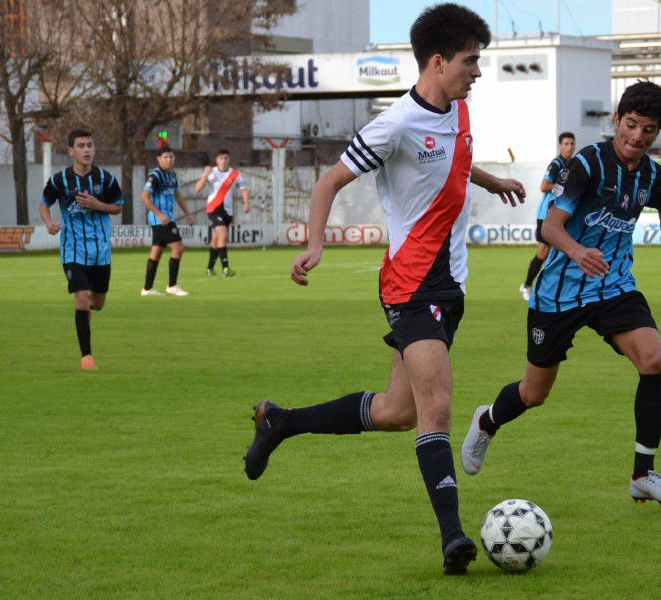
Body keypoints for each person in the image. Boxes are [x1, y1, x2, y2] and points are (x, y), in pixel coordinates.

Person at [242, 3, 525, 575]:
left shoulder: (459, 110)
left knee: (398, 412)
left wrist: (493, 182)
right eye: (471, 62)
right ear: (439, 61)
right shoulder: (395, 124)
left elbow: (453, 162)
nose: (478, 72)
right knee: (437, 407)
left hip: (450, 288)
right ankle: (453, 538)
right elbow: (329, 181)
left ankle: (281, 421)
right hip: (411, 283)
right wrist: (315, 245)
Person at [461, 81, 661, 506]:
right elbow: (550, 227)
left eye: (649, 130)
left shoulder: (654, 175)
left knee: (655, 360)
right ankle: (488, 420)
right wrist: (577, 251)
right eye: (631, 124)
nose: (637, 136)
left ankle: (643, 473)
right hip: (559, 294)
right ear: (617, 120)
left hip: (613, 285)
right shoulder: (587, 164)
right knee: (534, 394)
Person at [38, 128, 123, 370]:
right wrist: (48, 222)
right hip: (73, 251)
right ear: (71, 151)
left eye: (90, 145)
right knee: (82, 298)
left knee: (97, 303)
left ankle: (88, 312)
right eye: (82, 146)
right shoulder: (59, 180)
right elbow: (44, 204)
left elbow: (117, 207)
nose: (87, 150)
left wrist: (98, 204)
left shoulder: (106, 179)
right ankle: (86, 357)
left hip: (101, 252)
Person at [519, 132, 576, 301]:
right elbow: (544, 186)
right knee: (544, 252)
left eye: (572, 143)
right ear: (560, 145)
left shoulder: (571, 164)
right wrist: (563, 189)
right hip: (546, 215)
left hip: (559, 214)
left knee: (562, 252)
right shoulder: (556, 164)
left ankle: (556, 290)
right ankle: (527, 285)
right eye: (566, 143)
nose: (570, 146)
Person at [140, 147, 195, 296]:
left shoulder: (171, 175)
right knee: (178, 248)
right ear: (159, 159)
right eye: (166, 157)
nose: (169, 159)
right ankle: (172, 285)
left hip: (166, 219)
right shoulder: (155, 175)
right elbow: (144, 197)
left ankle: (147, 289)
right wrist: (159, 214)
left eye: (171, 157)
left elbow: (177, 194)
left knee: (156, 252)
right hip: (161, 220)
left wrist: (188, 213)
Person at [195, 149, 249, 277]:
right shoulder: (211, 173)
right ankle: (226, 268)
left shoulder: (235, 174)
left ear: (229, 160)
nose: (223, 161)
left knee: (215, 241)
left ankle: (209, 268)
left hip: (227, 211)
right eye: (221, 158)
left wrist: (246, 203)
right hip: (214, 208)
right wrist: (205, 174)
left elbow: (244, 189)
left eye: (226, 158)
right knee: (223, 235)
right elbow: (197, 189)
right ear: (216, 160)